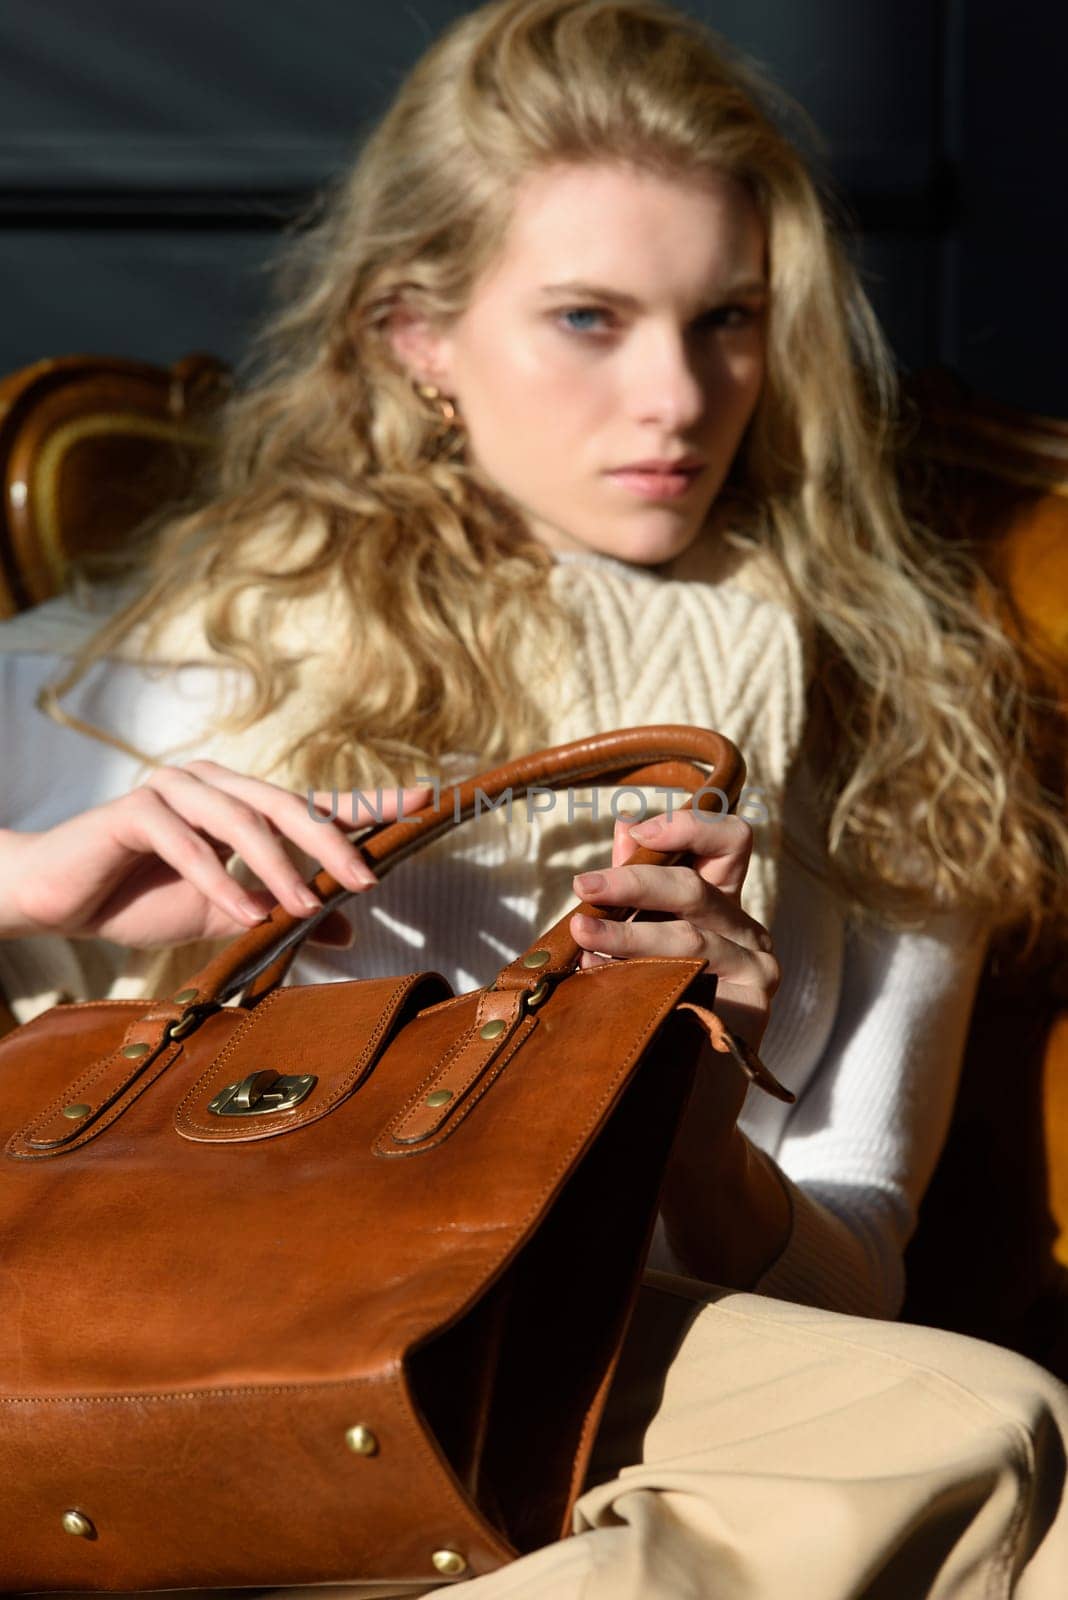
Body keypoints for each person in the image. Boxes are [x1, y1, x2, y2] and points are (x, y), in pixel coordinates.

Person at [1, 1, 1066, 1593]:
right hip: (179, 1347)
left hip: (606, 1391)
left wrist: (703, 1130)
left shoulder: (899, 719)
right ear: (415, 336)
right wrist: (23, 887)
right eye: (589, 318)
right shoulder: (155, 659)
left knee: (977, 1433)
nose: (677, 399)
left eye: (728, 320)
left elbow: (852, 1285)